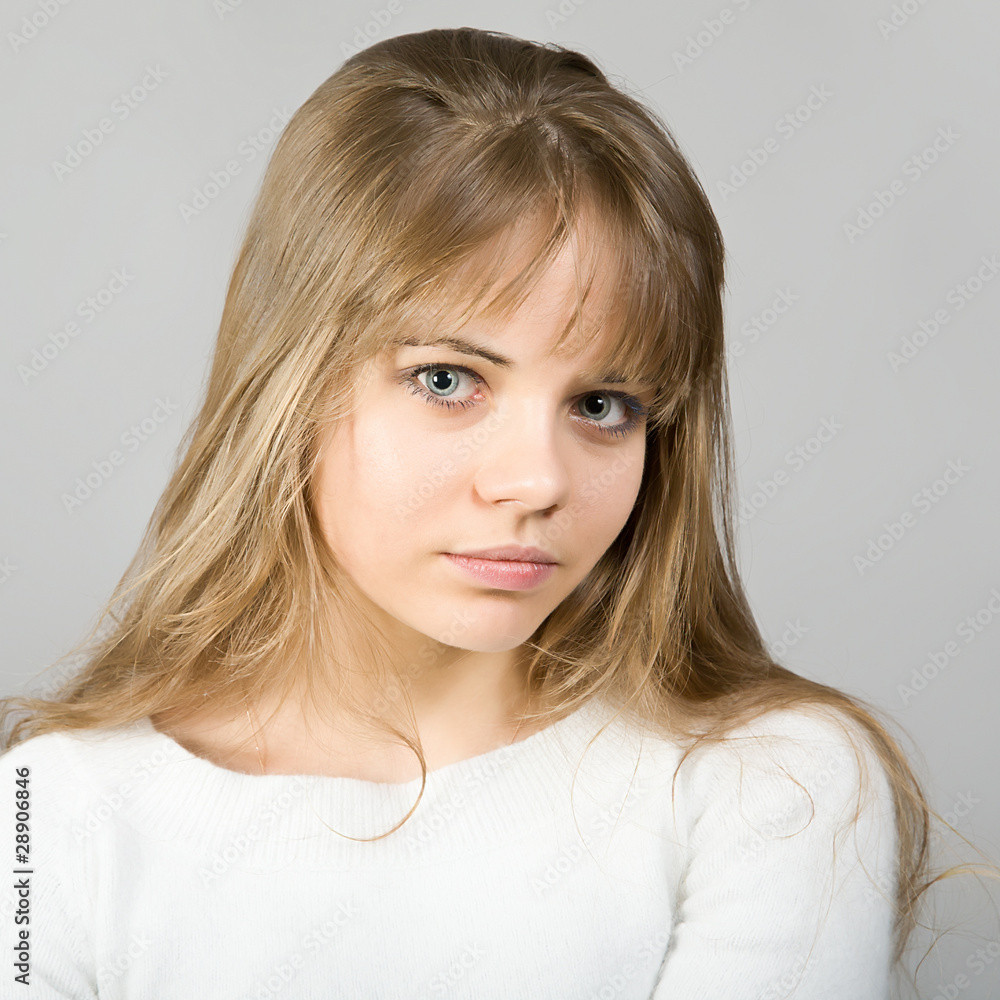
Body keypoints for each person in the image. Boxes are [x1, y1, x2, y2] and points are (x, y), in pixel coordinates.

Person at [0, 26, 971, 999]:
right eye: (447, 379)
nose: (536, 480)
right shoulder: (53, 811)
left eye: (602, 404)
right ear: (287, 385)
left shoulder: (770, 787)